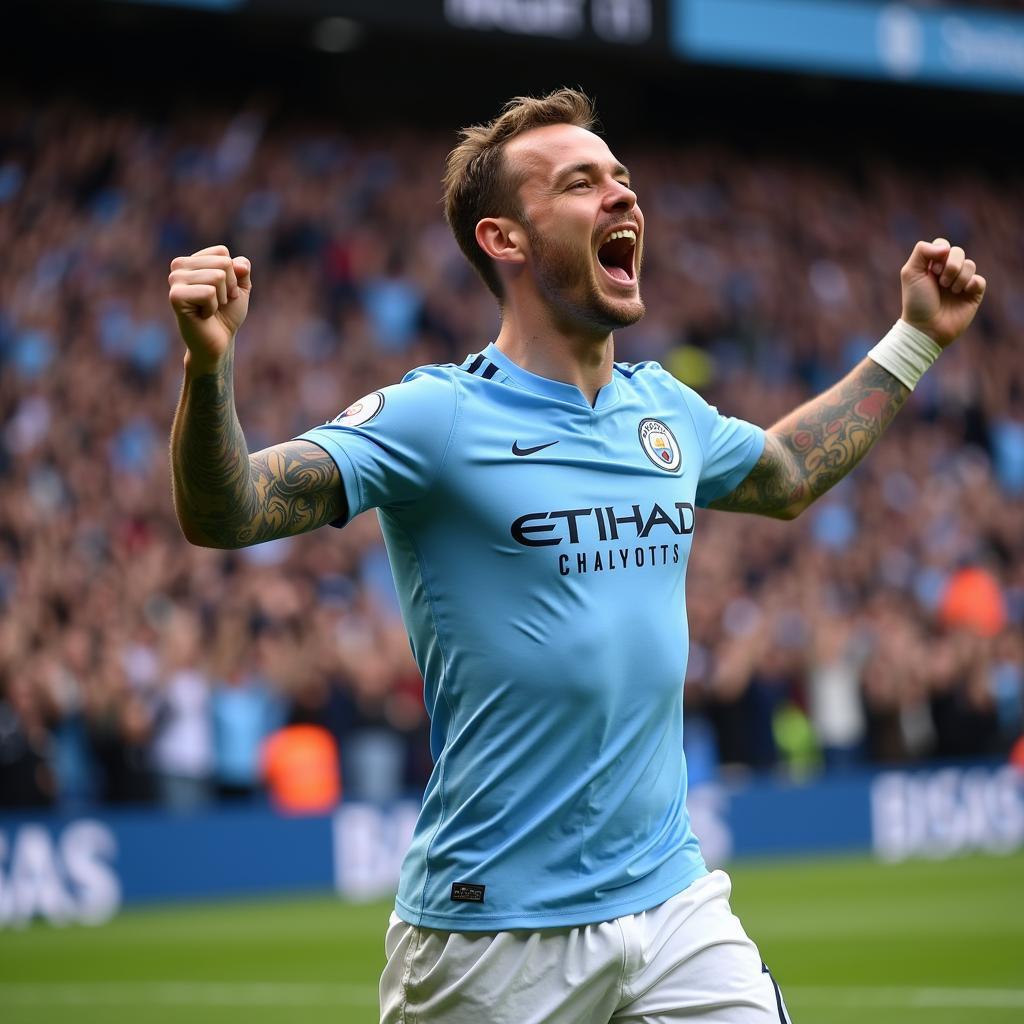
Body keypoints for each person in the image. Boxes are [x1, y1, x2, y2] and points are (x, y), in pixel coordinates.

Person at [167, 89, 985, 1023]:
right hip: (492, 935)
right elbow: (226, 512)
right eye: (581, 182)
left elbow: (790, 470)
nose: (623, 197)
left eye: (623, 178)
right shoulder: (437, 417)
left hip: (673, 902)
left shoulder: (663, 408)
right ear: (504, 239)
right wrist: (209, 366)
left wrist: (916, 338)